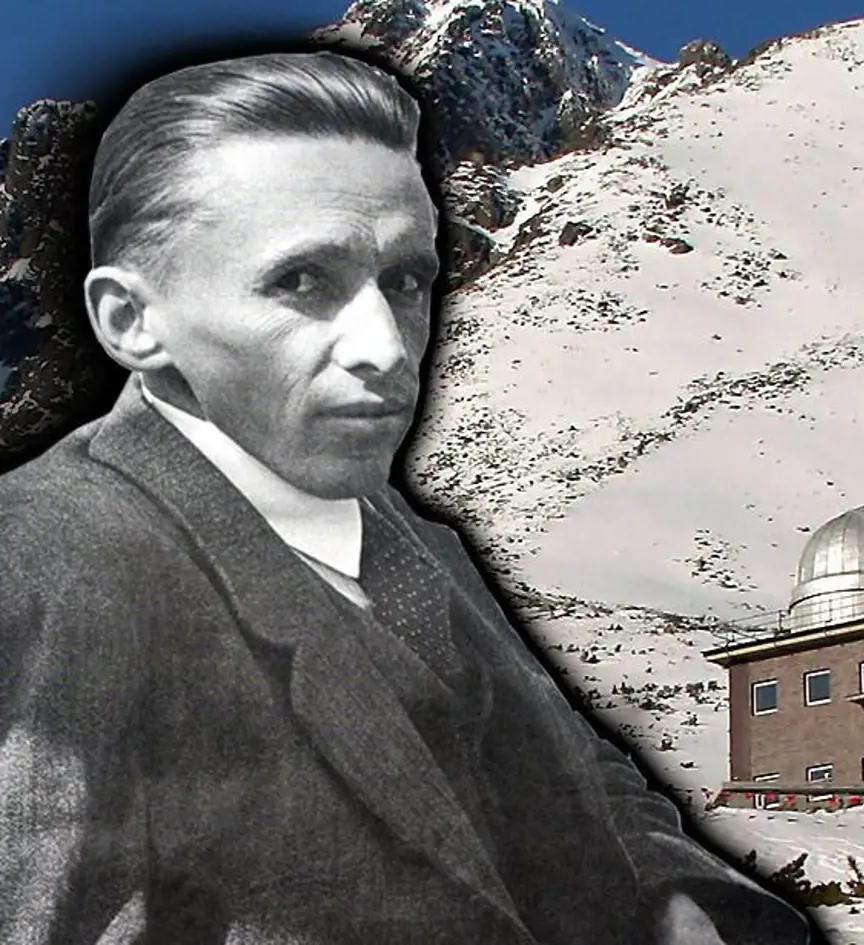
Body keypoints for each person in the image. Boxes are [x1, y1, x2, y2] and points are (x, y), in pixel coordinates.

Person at [0, 50, 808, 945]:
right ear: (132, 321)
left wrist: (671, 896)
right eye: (302, 281)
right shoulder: (53, 557)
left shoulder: (414, 540)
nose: (386, 347)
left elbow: (571, 766)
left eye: (406, 281)